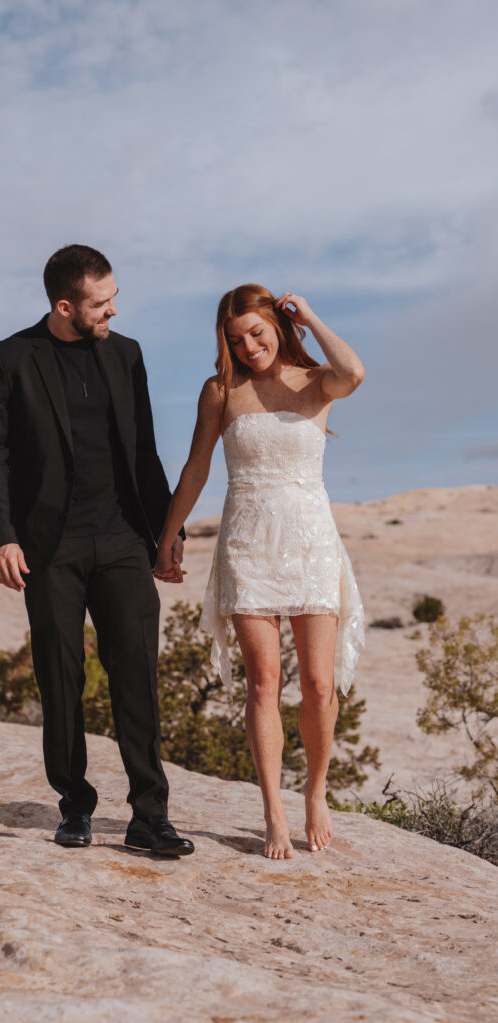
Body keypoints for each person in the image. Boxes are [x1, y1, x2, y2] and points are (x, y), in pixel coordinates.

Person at [0, 244, 194, 857]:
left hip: (121, 539)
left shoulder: (126, 356)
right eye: (101, 303)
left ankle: (150, 815)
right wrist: (1, 536)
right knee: (61, 678)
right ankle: (74, 804)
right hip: (49, 547)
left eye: (114, 297)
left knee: (136, 676)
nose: (113, 311)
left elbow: (144, 452)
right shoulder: (9, 359)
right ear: (65, 306)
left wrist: (166, 532)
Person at [154, 284, 365, 859]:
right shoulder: (221, 390)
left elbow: (356, 371)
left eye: (257, 332)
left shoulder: (318, 381)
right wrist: (169, 537)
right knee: (263, 684)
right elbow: (197, 468)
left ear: (278, 323)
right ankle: (273, 807)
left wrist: (311, 316)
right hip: (248, 544)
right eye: (235, 338)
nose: (248, 347)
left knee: (320, 685)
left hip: (310, 541)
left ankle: (316, 793)